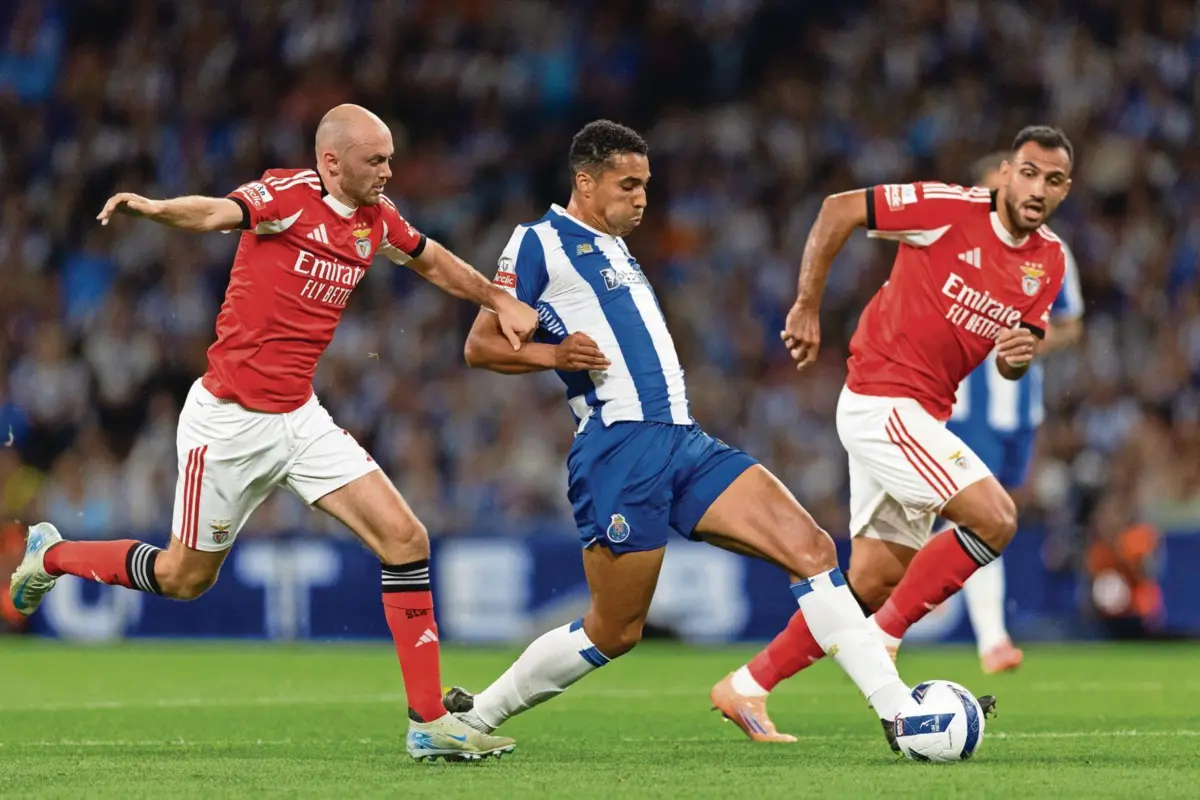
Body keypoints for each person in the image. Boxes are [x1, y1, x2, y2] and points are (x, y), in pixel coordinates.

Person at [8, 104, 533, 762]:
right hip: (228, 424)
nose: (388, 172)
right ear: (331, 162)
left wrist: (497, 299)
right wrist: (156, 208)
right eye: (375, 160)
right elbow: (215, 214)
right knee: (183, 577)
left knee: (406, 539)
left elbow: (429, 260)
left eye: (391, 159)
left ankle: (428, 721)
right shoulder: (287, 196)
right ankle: (52, 554)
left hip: (299, 418)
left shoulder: (376, 218)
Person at [441, 119, 921, 754]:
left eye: (645, 184)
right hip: (621, 448)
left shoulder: (616, 247)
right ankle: (474, 717)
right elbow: (480, 345)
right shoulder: (538, 243)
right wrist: (554, 357)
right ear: (585, 182)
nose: (642, 198)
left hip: (686, 442)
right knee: (614, 630)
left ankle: (899, 712)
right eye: (628, 185)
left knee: (810, 548)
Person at [711, 126, 1072, 741]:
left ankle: (747, 685)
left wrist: (1019, 357)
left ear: (1066, 189)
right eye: (1030, 173)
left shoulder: (1049, 261)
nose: (1039, 189)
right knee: (996, 518)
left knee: (874, 581)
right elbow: (839, 208)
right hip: (883, 400)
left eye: (1055, 180)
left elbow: (1015, 357)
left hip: (922, 413)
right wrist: (806, 305)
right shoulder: (948, 209)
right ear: (1008, 173)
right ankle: (885, 636)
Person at [947, 152, 1084, 674]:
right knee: (982, 517)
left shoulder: (1051, 250)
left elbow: (1070, 324)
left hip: (1019, 410)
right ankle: (992, 638)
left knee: (984, 517)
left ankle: (888, 619)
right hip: (963, 407)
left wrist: (1030, 344)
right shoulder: (954, 245)